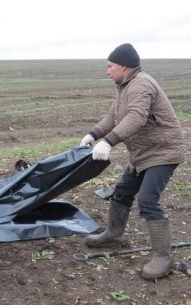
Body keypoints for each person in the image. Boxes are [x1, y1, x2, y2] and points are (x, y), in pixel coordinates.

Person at [79, 43, 186, 280]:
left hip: (163, 151)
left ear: (123, 66)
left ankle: (163, 258)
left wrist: (109, 142)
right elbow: (113, 116)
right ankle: (114, 234)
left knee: (148, 200)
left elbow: (136, 117)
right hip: (142, 153)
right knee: (123, 191)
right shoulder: (124, 86)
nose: (107, 71)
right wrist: (94, 135)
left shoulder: (142, 84)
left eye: (110, 66)